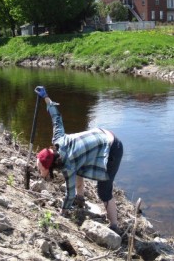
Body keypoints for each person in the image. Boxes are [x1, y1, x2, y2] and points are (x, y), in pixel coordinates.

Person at [35, 86, 123, 232]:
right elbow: (56, 118)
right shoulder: (57, 139)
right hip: (100, 136)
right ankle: (81, 198)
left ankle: (115, 226)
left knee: (104, 191)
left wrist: (62, 213)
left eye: (39, 169)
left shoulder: (67, 165)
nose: (37, 170)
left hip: (112, 147)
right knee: (79, 166)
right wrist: (46, 97)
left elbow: (69, 194)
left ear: (49, 167)